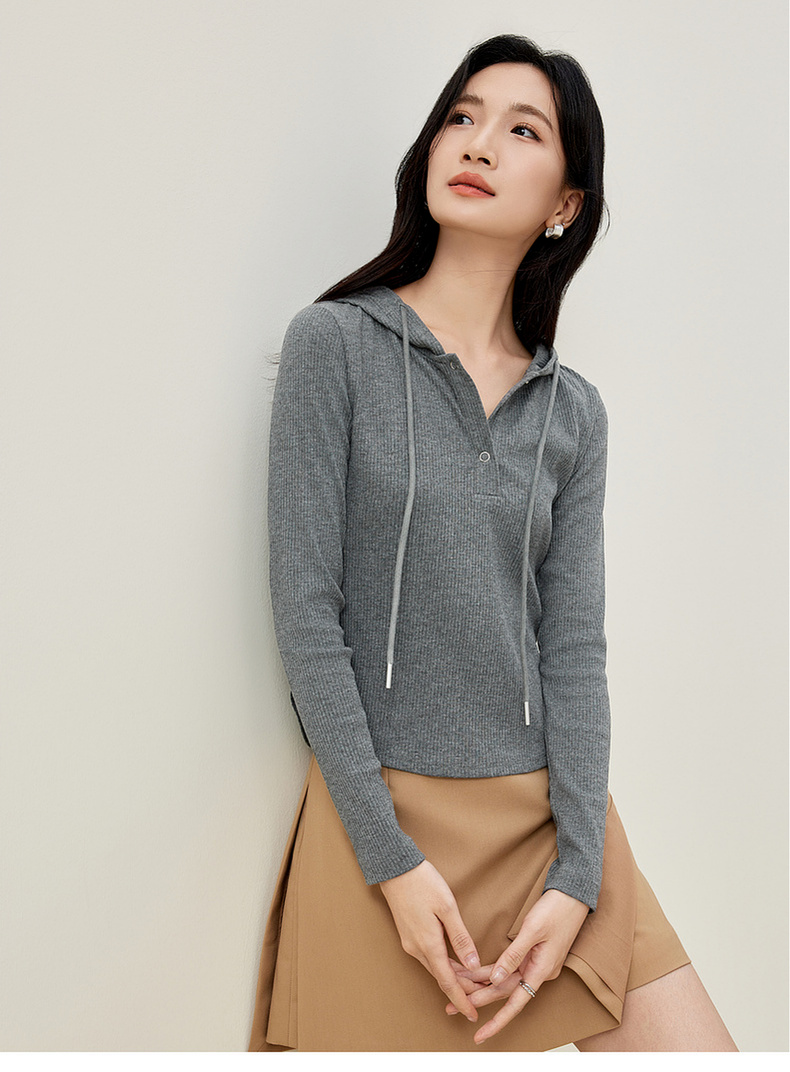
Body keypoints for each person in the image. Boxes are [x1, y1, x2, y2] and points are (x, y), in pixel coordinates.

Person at [247, 33, 738, 1052]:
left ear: (566, 202)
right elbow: (307, 616)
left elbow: (574, 651)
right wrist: (388, 857)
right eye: (461, 117)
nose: (476, 143)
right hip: (381, 820)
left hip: (547, 824)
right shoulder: (332, 346)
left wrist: (579, 870)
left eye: (522, 131)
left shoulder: (574, 412)